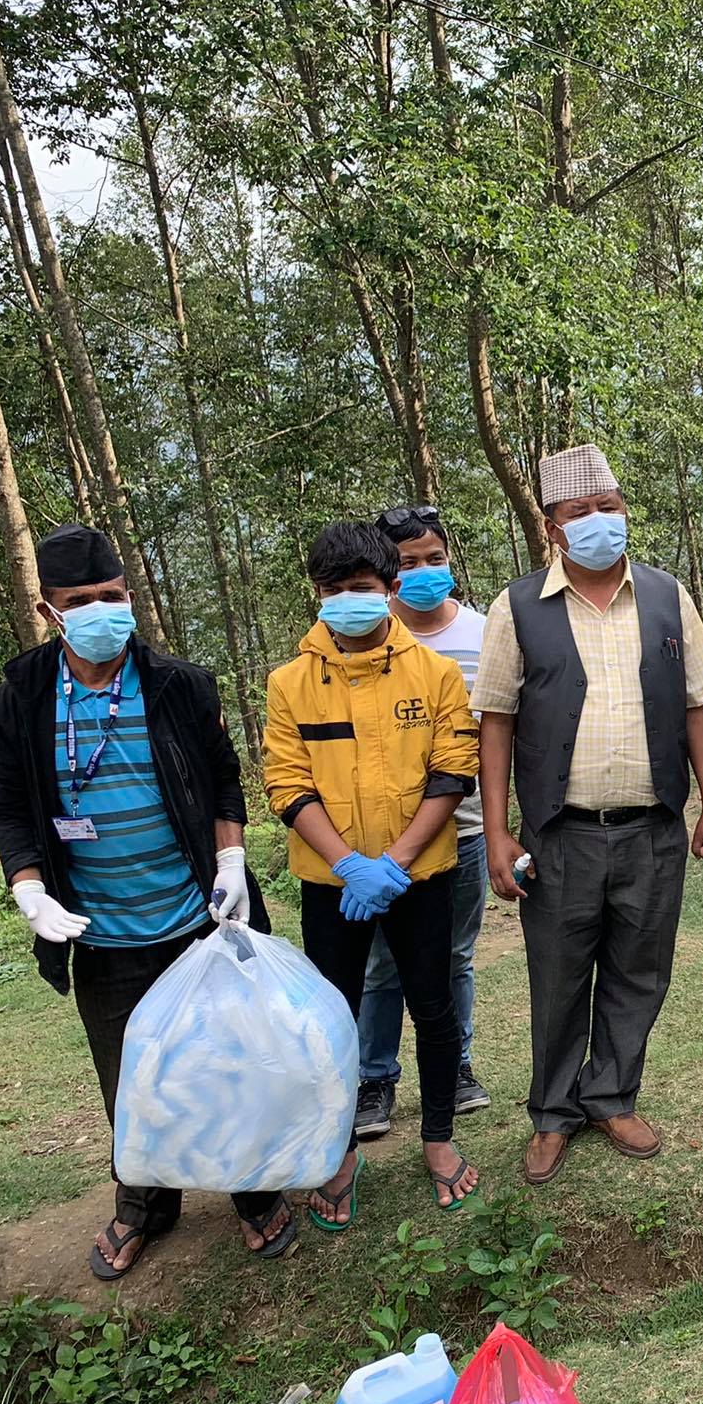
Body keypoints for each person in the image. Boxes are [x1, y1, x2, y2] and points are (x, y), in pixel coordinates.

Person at [0, 523, 285, 1281]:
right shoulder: (21, 696)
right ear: (50, 609)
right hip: (102, 933)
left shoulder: (179, 684)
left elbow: (222, 778)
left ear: (130, 597)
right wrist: (29, 892)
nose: (100, 611)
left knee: (224, 1063)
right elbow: (7, 802)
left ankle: (253, 1194)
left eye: (111, 596)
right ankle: (145, 1205)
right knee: (129, 1076)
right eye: (79, 601)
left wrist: (231, 858)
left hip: (195, 921)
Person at [478, 443, 703, 1188]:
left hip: (652, 827)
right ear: (553, 528)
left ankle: (611, 1094)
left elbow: (694, 706)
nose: (598, 523)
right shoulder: (518, 606)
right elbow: (494, 719)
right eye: (579, 513)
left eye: (608, 508)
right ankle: (554, 1113)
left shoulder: (666, 597)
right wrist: (497, 831)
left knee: (639, 972)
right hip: (562, 835)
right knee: (557, 978)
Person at [263, 522, 482, 1228]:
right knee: (331, 1020)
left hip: (422, 875)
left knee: (435, 1003)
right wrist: (349, 863)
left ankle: (440, 1140)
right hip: (334, 885)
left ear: (388, 590)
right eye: (335, 590)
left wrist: (395, 861)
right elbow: (287, 783)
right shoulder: (290, 683)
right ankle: (338, 1155)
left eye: (363, 588)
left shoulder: (435, 672)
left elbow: (453, 771)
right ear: (318, 595)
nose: (349, 600)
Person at [353, 505, 492, 1140]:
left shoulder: (487, 634)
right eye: (407, 564)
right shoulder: (363, 638)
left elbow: (500, 733)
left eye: (434, 559)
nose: (424, 572)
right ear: (385, 574)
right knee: (381, 967)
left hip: (461, 833)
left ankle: (456, 1066)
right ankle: (374, 1078)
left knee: (455, 959)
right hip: (376, 846)